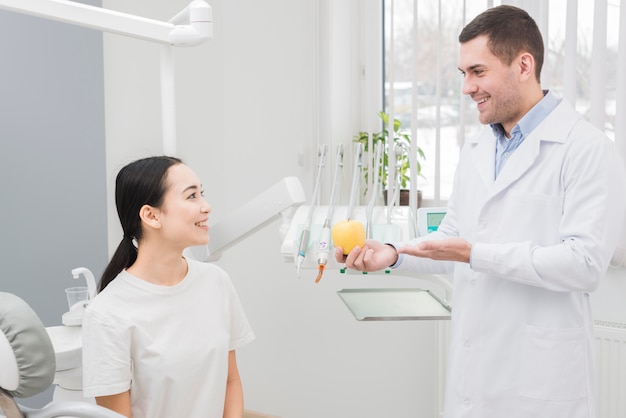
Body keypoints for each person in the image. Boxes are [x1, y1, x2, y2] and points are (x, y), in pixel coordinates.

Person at [336, 5, 626, 418]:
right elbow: (452, 237)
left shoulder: (586, 148)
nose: (466, 87)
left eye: (478, 71)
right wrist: (393, 253)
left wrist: (476, 253)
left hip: (542, 382)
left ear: (523, 65)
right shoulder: (477, 148)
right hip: (474, 378)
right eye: (463, 74)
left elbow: (584, 264)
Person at [82, 156, 255, 418]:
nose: (206, 206)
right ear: (151, 215)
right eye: (191, 196)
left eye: (202, 194)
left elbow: (230, 381)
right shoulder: (107, 314)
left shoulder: (215, 281)